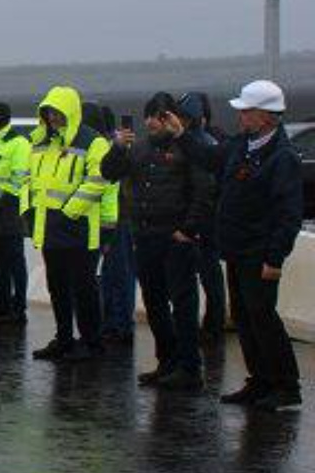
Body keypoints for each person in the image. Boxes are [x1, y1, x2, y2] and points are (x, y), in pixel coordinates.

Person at [214, 81, 303, 412]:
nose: (241, 116)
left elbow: (288, 214)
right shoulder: (244, 147)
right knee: (244, 317)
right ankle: (261, 380)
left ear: (266, 116)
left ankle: (286, 385)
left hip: (260, 254)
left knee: (263, 317)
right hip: (238, 250)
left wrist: (274, 256)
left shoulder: (282, 158)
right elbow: (213, 159)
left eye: (247, 111)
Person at [124, 93, 215, 391]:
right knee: (154, 302)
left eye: (160, 116)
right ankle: (167, 361)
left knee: (183, 303)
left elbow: (204, 191)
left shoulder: (189, 148)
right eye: (149, 115)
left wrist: (188, 230)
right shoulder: (138, 148)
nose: (152, 121)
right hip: (145, 234)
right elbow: (110, 173)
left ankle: (190, 366)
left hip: (176, 237)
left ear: (173, 119)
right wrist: (115, 148)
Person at [27, 86, 122, 362]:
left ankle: (91, 341)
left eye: (57, 112)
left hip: (78, 227)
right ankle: (64, 338)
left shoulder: (93, 142)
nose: (53, 118)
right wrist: (29, 210)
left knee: (84, 288)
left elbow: (98, 180)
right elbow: (31, 179)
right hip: (48, 227)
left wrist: (71, 211)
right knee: (56, 286)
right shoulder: (42, 141)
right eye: (48, 113)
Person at [175, 91, 228, 337]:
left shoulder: (198, 144)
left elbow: (205, 188)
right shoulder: (207, 141)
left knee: (209, 274)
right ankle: (211, 324)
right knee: (209, 274)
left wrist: (191, 224)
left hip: (202, 220)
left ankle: (212, 326)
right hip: (206, 218)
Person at [85, 102, 136, 342]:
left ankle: (119, 326)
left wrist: (107, 226)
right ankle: (113, 323)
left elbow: (109, 189)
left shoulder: (107, 149)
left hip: (115, 221)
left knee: (117, 275)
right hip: (115, 219)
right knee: (111, 275)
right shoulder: (110, 147)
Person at [0, 103, 30, 325]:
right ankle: (2, 306)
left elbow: (19, 179)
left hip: (9, 212)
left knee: (15, 264)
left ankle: (18, 308)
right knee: (0, 263)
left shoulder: (18, 144)